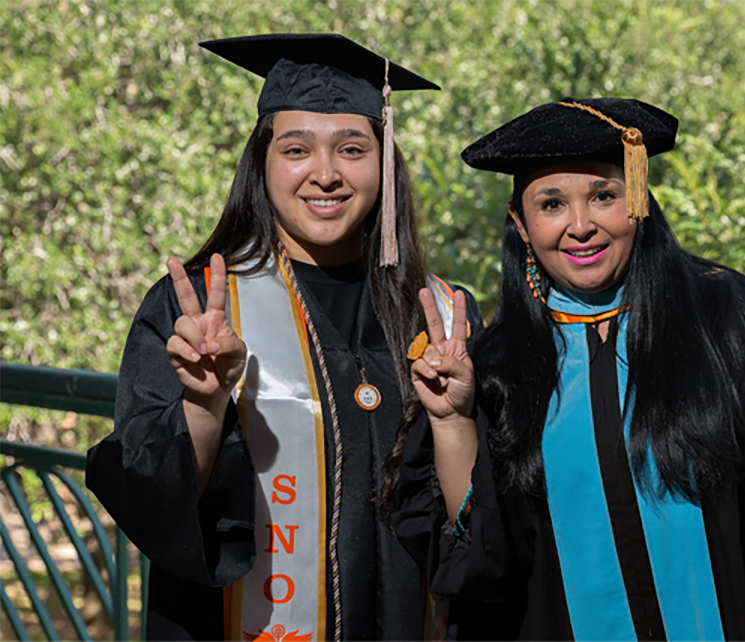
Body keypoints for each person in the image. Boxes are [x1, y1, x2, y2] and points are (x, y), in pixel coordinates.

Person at [387, 98, 745, 640]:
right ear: (522, 224)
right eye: (551, 204)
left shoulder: (724, 317)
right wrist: (455, 420)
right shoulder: (504, 363)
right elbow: (486, 568)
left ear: (638, 200)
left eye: (604, 195)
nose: (580, 226)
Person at [86, 33, 481, 641]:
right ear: (262, 163)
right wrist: (202, 406)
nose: (325, 174)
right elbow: (150, 504)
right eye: (296, 149)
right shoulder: (199, 311)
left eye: (353, 148)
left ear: (385, 162)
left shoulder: (441, 316)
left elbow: (482, 528)